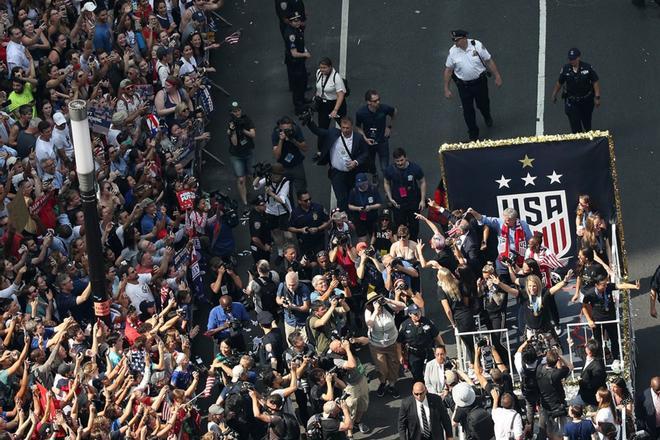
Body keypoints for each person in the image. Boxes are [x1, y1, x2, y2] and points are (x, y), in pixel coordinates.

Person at [443, 29, 503, 141]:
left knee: (483, 103)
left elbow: (488, 60)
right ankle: (473, 133)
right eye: (454, 41)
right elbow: (449, 70)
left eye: (457, 40)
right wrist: (446, 88)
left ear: (464, 38)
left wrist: (497, 76)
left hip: (479, 83)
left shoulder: (477, 46)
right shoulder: (453, 52)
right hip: (463, 86)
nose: (455, 43)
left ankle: (487, 115)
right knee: (468, 110)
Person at [307, 116, 369, 212]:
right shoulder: (333, 133)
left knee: (352, 195)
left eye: (347, 128)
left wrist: (356, 162)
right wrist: (309, 122)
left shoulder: (358, 138)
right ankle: (344, 219)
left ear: (351, 127)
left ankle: (352, 215)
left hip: (352, 173)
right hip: (337, 173)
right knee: (341, 198)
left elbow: (365, 153)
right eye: (343, 128)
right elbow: (318, 131)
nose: (345, 130)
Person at [581, 274, 640, 361]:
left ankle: (616, 358)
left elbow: (621, 285)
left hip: (611, 319)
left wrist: (634, 286)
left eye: (606, 284)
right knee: (598, 342)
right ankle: (599, 360)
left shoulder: (608, 287)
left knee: (614, 340)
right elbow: (584, 307)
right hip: (597, 321)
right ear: (596, 285)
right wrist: (589, 320)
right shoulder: (590, 294)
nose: (605, 286)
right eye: (603, 285)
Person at [364, 290, 405, 398]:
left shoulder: (387, 306)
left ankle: (392, 384)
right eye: (373, 301)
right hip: (377, 345)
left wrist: (387, 300)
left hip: (392, 342)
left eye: (377, 300)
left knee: (394, 365)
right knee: (382, 368)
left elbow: (402, 306)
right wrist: (375, 312)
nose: (377, 303)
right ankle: (383, 382)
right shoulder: (369, 311)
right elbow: (369, 324)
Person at [327, 337, 372, 434]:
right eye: (340, 345)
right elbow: (352, 365)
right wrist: (347, 349)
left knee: (364, 403)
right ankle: (349, 431)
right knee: (351, 408)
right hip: (350, 386)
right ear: (337, 350)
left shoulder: (348, 346)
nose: (342, 344)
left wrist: (355, 340)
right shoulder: (337, 360)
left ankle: (358, 422)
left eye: (340, 342)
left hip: (361, 379)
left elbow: (367, 340)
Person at [551, 48, 601, 133]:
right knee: (575, 125)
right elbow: (560, 82)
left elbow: (595, 82)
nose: (572, 61)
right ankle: (579, 141)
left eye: (573, 59)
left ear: (578, 58)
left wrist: (597, 97)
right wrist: (554, 94)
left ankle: (588, 138)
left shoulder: (587, 68)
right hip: (572, 101)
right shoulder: (565, 69)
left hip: (586, 101)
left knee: (587, 122)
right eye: (570, 59)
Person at [383, 148, 426, 240]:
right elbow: (386, 182)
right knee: (400, 225)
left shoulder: (415, 168)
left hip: (413, 202)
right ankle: (403, 243)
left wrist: (422, 200)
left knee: (414, 225)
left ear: (406, 158)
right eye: (397, 161)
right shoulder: (389, 170)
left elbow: (422, 182)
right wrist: (390, 198)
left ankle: (414, 241)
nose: (400, 163)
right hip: (398, 203)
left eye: (402, 160)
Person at [355, 89, 397, 177]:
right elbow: (358, 127)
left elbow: (394, 112)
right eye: (375, 101)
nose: (378, 102)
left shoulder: (384, 108)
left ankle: (387, 180)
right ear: (368, 102)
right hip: (369, 142)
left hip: (382, 141)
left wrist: (389, 127)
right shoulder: (361, 113)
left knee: (384, 166)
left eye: (379, 99)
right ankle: (374, 175)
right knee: (371, 163)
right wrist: (365, 138)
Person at [397, 303, 444, 383]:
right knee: (417, 375)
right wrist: (400, 355)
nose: (417, 315)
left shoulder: (427, 321)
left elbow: (437, 336)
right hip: (413, 354)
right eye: (415, 313)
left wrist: (442, 349)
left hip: (427, 352)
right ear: (410, 314)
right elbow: (398, 342)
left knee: (432, 373)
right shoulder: (404, 325)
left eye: (419, 312)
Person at [536, 349, 574, 440]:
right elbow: (571, 366)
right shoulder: (556, 374)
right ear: (556, 361)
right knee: (561, 431)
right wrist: (560, 356)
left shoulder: (539, 368)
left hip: (545, 404)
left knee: (550, 430)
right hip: (557, 406)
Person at [227, 101, 256, 206]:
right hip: (236, 155)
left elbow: (253, 134)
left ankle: (249, 191)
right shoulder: (231, 124)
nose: (237, 113)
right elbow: (234, 143)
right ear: (232, 113)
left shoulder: (246, 119)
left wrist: (243, 130)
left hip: (248, 151)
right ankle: (244, 201)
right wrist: (233, 130)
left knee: (250, 174)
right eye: (235, 111)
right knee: (241, 178)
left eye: (238, 110)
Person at [283, 11, 311, 113]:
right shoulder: (291, 35)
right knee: (297, 85)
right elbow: (294, 53)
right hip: (294, 63)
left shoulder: (296, 29)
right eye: (295, 21)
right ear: (290, 22)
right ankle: (298, 106)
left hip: (299, 62)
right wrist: (305, 54)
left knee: (303, 81)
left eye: (298, 20)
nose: (298, 22)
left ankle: (302, 99)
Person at [272, 116, 308, 194]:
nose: (287, 131)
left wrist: (293, 140)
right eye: (285, 130)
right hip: (283, 167)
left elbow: (305, 148)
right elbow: (277, 156)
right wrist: (281, 140)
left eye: (289, 129)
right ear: (280, 128)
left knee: (301, 191)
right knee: (285, 193)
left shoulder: (296, 129)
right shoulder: (276, 133)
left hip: (297, 164)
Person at [288, 190, 331, 256]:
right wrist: (300, 230)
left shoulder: (318, 208)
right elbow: (290, 227)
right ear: (299, 201)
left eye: (309, 199)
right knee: (307, 262)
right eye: (305, 200)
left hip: (319, 240)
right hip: (304, 242)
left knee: (321, 259)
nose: (309, 201)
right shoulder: (295, 213)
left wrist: (318, 228)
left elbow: (327, 221)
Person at [276, 271, 311, 342]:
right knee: (291, 343)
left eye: (293, 285)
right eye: (289, 285)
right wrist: (282, 302)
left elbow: (306, 308)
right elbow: (277, 299)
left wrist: (293, 307)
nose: (291, 287)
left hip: (302, 322)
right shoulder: (282, 285)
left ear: (298, 282)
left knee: (304, 343)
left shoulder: (304, 289)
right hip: (289, 321)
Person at [347, 172, 382, 242]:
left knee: (374, 236)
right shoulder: (353, 191)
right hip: (359, 218)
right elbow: (350, 205)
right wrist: (357, 208)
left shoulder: (373, 189)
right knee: (362, 239)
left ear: (366, 182)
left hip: (372, 218)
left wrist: (371, 207)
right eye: (359, 184)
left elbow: (379, 204)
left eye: (362, 184)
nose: (361, 186)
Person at [314, 57, 347, 129]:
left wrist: (335, 110)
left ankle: (347, 139)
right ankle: (323, 140)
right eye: (321, 67)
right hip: (323, 105)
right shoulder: (319, 73)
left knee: (344, 125)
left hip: (335, 103)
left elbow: (341, 95)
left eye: (324, 68)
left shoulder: (336, 78)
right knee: (322, 127)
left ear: (330, 67)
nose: (322, 70)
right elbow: (319, 87)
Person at [577, 339, 607, 407]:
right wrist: (572, 345)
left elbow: (594, 384)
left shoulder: (598, 367)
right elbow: (580, 353)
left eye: (586, 347)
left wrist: (581, 382)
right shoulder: (587, 356)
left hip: (591, 397)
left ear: (590, 351)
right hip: (583, 392)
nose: (585, 347)